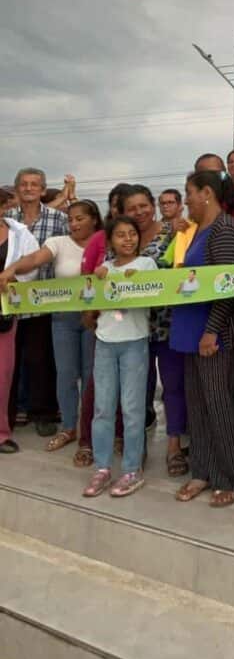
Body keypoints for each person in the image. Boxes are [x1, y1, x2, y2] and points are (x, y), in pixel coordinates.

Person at [0, 199, 103, 454]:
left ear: (94, 219)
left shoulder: (105, 243)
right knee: (66, 376)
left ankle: (90, 434)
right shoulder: (58, 243)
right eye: (70, 219)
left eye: (80, 218)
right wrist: (12, 267)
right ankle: (68, 427)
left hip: (96, 319)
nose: (73, 223)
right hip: (63, 320)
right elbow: (35, 259)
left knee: (92, 377)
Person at [170, 171, 234, 507]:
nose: (186, 200)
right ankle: (201, 472)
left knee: (218, 407)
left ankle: (230, 477)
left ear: (207, 193)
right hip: (189, 331)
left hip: (213, 334)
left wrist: (212, 329)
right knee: (197, 408)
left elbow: (228, 286)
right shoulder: (195, 230)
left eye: (189, 193)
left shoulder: (226, 228)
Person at [82, 216, 157, 499]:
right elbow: (89, 301)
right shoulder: (103, 269)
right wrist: (99, 280)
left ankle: (131, 469)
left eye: (132, 234)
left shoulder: (146, 265)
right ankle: (102, 468)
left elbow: (153, 295)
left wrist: (131, 283)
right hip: (104, 342)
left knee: (132, 408)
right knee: (102, 408)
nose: (128, 239)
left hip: (135, 343)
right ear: (110, 241)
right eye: (121, 235)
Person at [120, 186, 186, 477]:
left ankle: (174, 446)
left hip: (168, 324)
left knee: (172, 387)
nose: (140, 212)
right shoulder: (122, 241)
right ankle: (138, 446)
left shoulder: (174, 231)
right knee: (137, 390)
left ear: (153, 205)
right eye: (132, 208)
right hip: (133, 327)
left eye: (144, 205)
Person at [7, 168, 69, 436]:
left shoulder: (59, 219)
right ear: (16, 189)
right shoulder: (6, 219)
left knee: (41, 360)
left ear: (44, 190)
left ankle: (43, 413)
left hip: (44, 302)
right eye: (24, 184)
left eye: (35, 184)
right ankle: (10, 412)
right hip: (8, 302)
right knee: (10, 360)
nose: (29, 188)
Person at [0, 213, 38, 455]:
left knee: (2, 376)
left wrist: (16, 277)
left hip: (3, 311)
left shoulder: (19, 232)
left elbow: (32, 264)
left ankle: (1, 434)